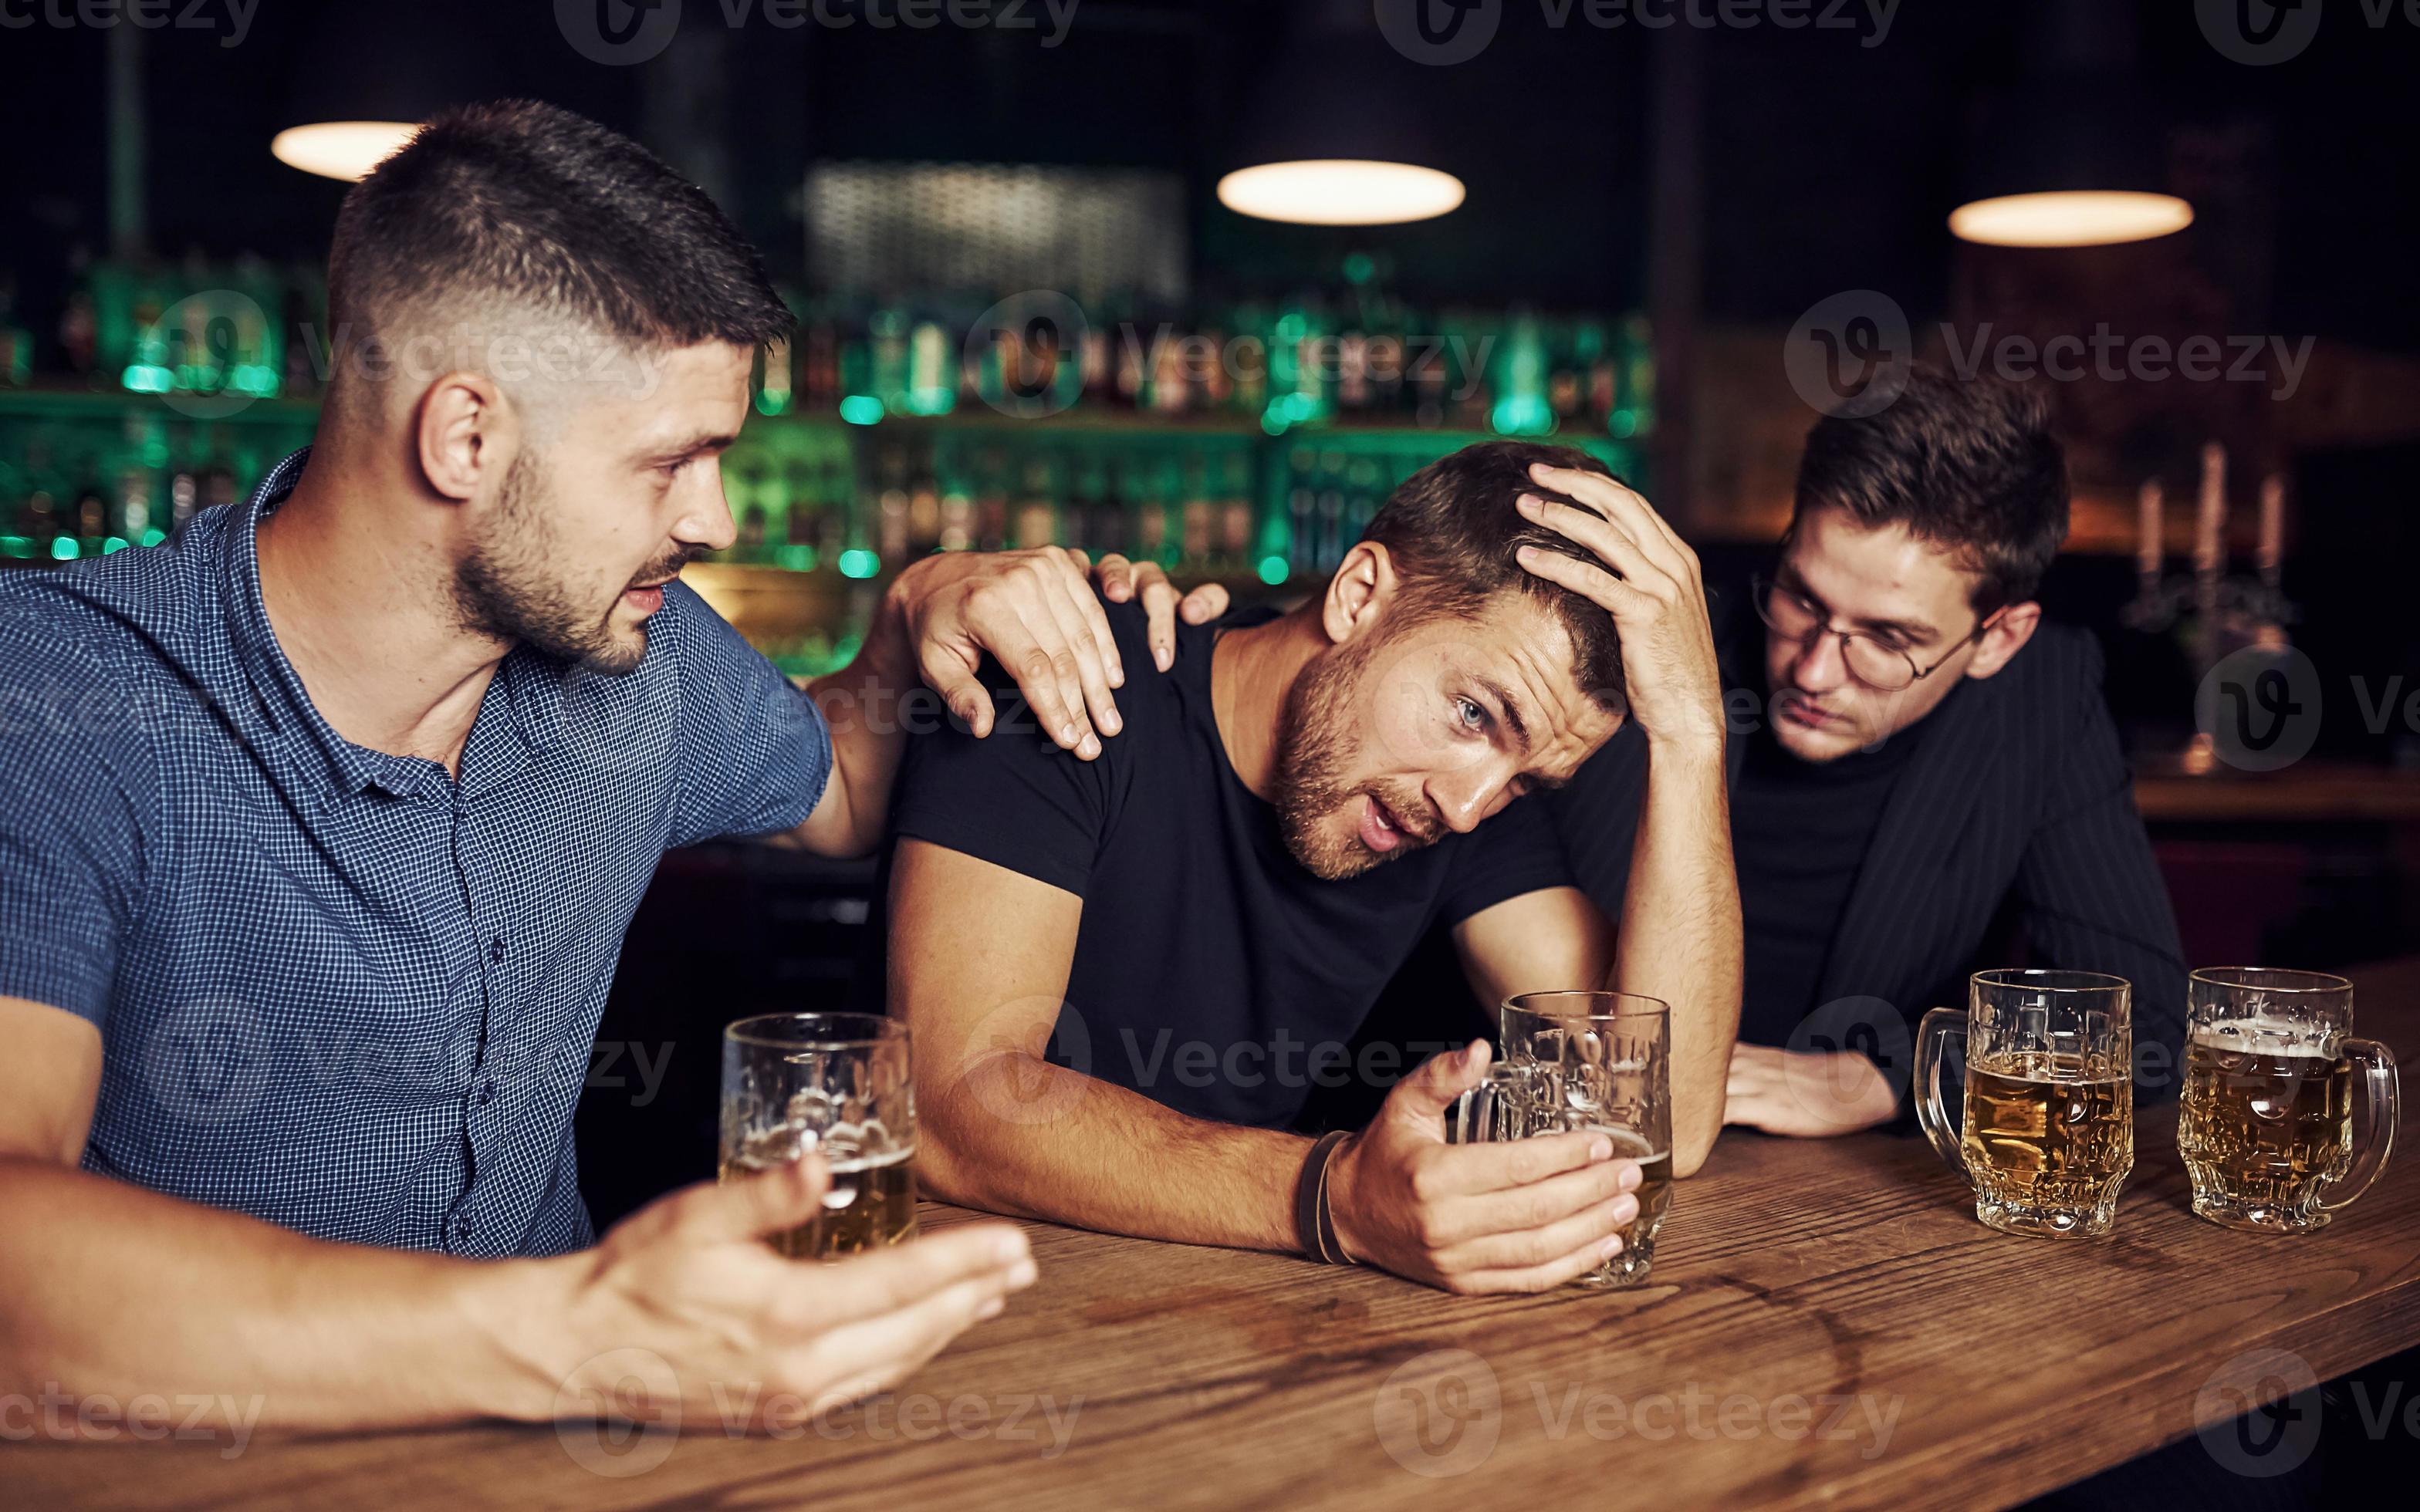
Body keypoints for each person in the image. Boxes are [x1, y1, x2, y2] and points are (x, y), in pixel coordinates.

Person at [0, 100, 1228, 1438]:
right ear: (464, 436)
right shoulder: (63, 699)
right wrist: (576, 1336)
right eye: (670, 463)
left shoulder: (644, 660)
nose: (714, 520)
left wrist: (924, 611)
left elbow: (844, 793)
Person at [881, 440, 1742, 1295]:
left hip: (1220, 1328)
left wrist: (1693, 734)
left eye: (1525, 779)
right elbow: (948, 1105)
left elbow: (1662, 1119)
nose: (1468, 804)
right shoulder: (1071, 674)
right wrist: (1329, 1196)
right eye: (1474, 712)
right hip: (942, 1308)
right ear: (1359, 593)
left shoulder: (1464, 808)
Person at [1550, 366, 2188, 1138]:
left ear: (2000, 638)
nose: (1813, 669)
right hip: (1591, 1143)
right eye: (1801, 599)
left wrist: (1886, 1077)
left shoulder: (2040, 695)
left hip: (1859, 1194)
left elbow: (2147, 1025)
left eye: (1889, 639)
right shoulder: (1650, 641)